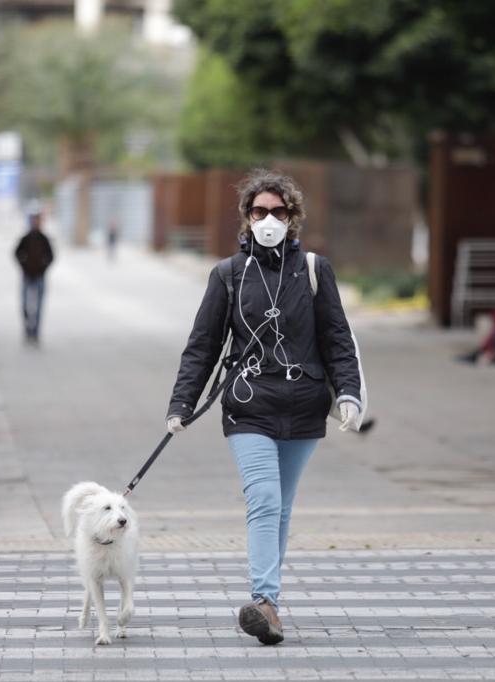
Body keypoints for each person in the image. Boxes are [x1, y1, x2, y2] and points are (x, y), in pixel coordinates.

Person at [165, 169, 364, 645]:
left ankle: (268, 602)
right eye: (259, 211)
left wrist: (350, 392)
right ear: (247, 217)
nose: (268, 219)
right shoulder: (228, 274)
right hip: (248, 405)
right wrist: (181, 403)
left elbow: (337, 338)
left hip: (303, 405)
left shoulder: (315, 270)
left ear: (292, 217)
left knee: (282, 506)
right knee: (265, 500)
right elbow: (202, 346)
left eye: (278, 211)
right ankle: (265, 601)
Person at [14, 208, 54, 343]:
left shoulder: (44, 239)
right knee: (25, 305)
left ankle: (35, 332)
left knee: (38, 306)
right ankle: (27, 329)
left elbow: (51, 256)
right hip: (27, 275)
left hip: (39, 275)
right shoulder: (25, 238)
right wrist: (23, 266)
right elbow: (17, 253)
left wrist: (43, 268)